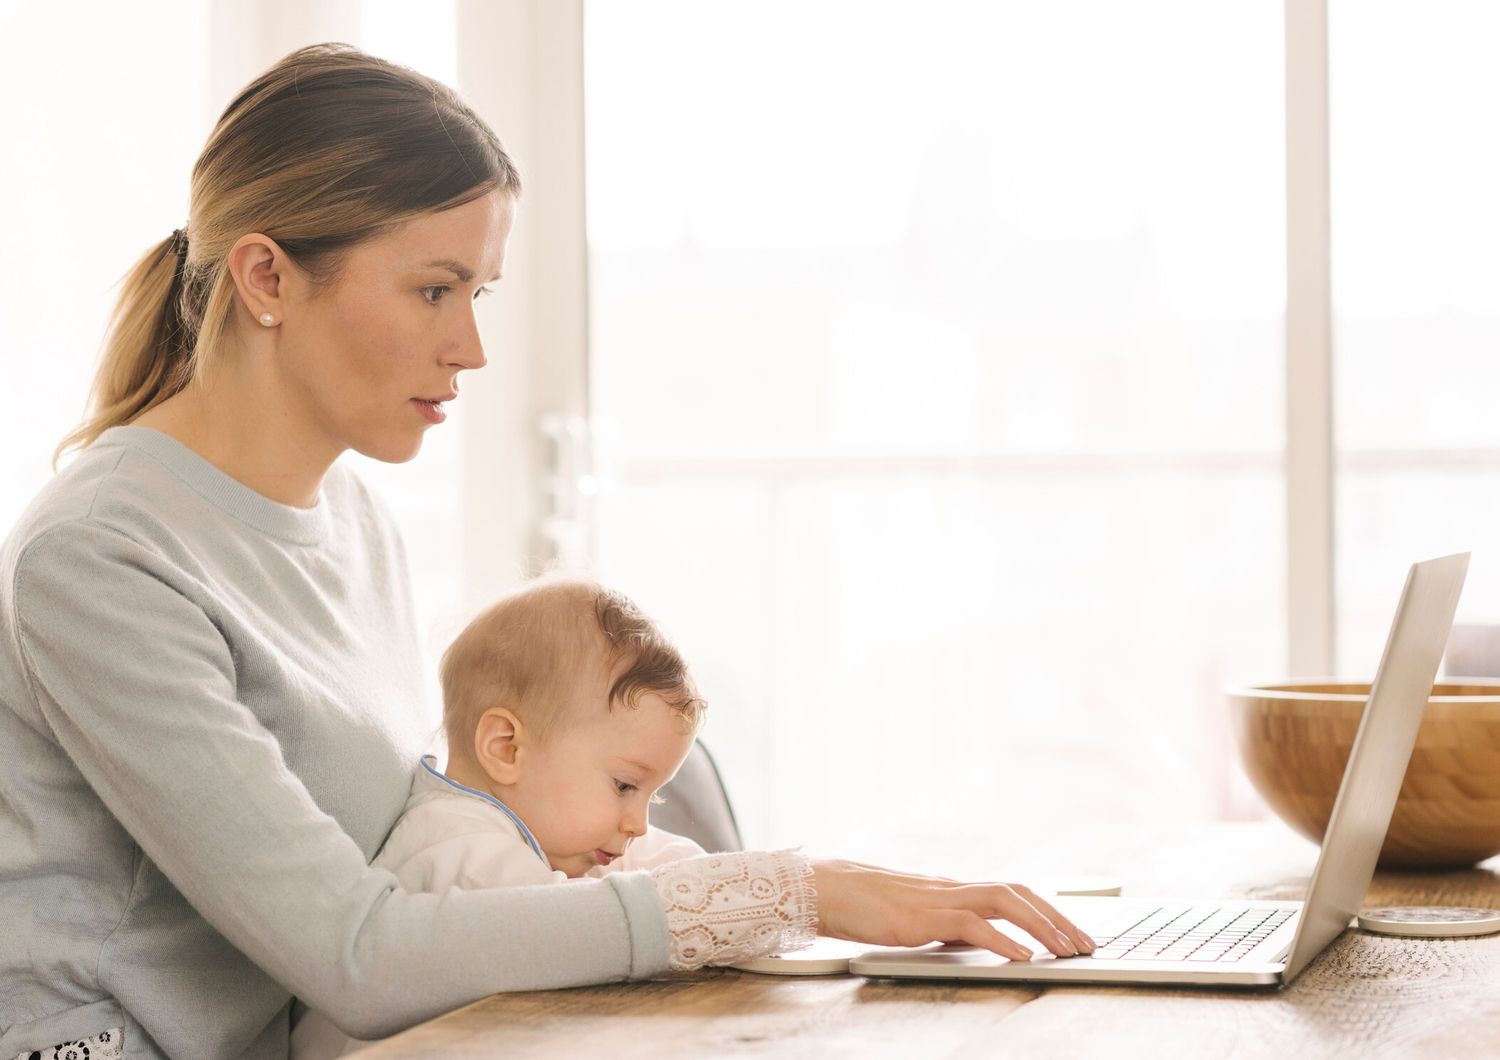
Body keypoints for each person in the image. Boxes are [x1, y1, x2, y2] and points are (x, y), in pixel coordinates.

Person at [0, 42, 1094, 1060]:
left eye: (478, 293)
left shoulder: (353, 522)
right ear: (268, 278)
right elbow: (358, 951)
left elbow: (405, 873)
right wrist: (783, 893)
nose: (469, 346)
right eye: (434, 289)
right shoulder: (101, 559)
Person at [293, 576, 725, 1058]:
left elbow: (664, 863)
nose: (638, 822)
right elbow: (575, 938)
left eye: (653, 797)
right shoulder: (460, 850)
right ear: (506, 748)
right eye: (625, 786)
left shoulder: (544, 833)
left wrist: (720, 889)